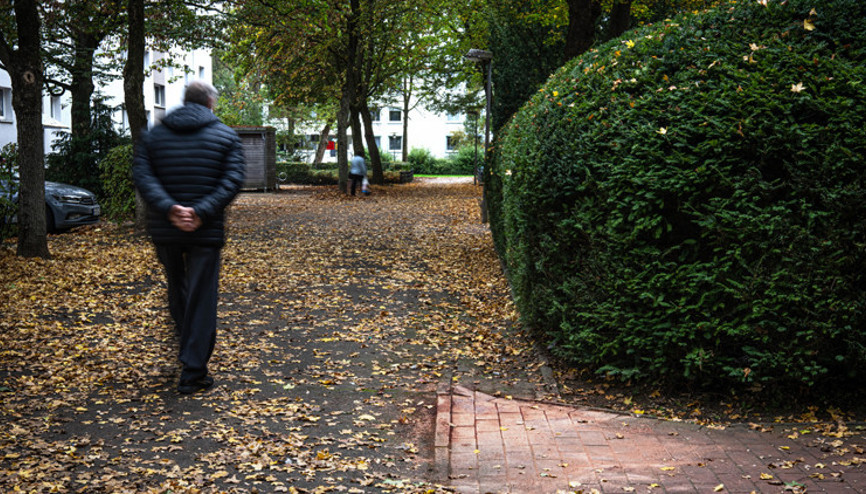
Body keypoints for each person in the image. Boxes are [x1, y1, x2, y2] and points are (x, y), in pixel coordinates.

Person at [133, 81, 246, 394]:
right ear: (210, 102)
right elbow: (233, 179)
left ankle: (188, 349)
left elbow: (143, 175)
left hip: (166, 230)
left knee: (178, 289)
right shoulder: (225, 135)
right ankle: (193, 370)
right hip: (205, 230)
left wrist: (170, 210)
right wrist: (200, 212)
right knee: (202, 295)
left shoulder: (153, 135)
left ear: (185, 102)